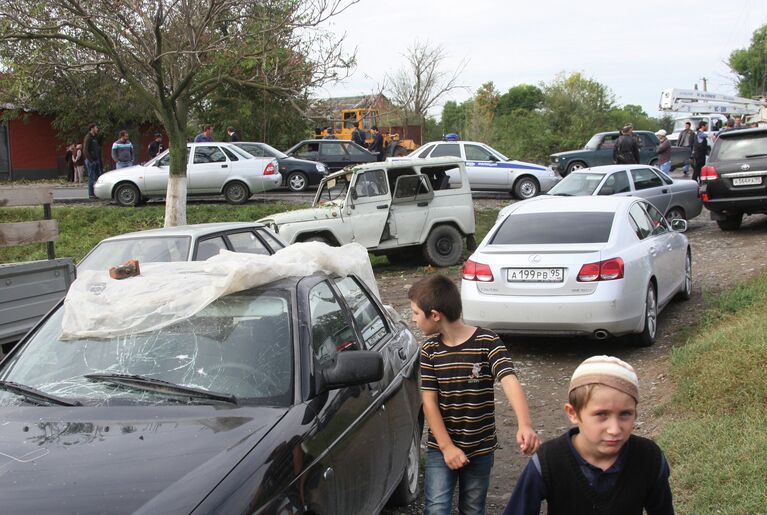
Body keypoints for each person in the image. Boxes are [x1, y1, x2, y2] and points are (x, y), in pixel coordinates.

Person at [409, 275, 539, 515]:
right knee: (436, 508)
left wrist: (525, 424)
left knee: (472, 508)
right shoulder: (429, 351)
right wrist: (447, 447)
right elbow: (429, 403)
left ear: (435, 315)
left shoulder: (487, 341)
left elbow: (509, 380)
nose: (413, 319)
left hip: (480, 447)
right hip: (441, 447)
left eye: (416, 313)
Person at [503, 355, 674, 515]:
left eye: (625, 414)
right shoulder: (549, 461)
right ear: (573, 413)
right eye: (601, 414)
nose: (614, 429)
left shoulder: (649, 458)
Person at [83, 123, 102, 199]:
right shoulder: (88, 137)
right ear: (92, 129)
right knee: (91, 177)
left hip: (96, 160)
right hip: (91, 161)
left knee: (98, 177)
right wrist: (90, 160)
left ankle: (98, 192)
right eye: (96, 128)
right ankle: (91, 194)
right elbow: (85, 150)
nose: (97, 129)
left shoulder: (95, 137)